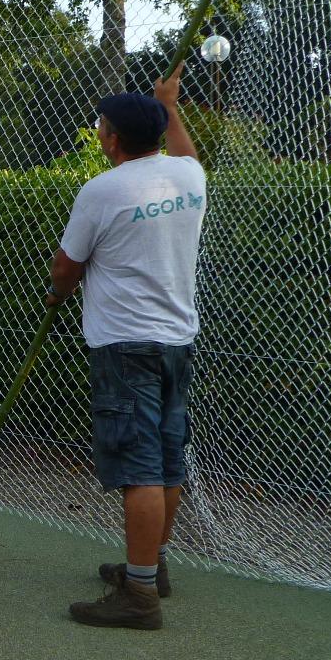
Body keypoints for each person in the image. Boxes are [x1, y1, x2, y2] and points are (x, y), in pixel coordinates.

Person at [48, 63, 206, 630]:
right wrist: (171, 105)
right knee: (167, 459)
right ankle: (150, 567)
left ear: (111, 138)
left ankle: (139, 598)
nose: (98, 129)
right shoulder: (188, 179)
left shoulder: (102, 190)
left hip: (123, 344)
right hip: (176, 341)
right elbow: (186, 153)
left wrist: (57, 295)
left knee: (140, 467)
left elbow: (68, 266)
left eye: (101, 124)